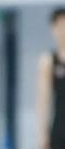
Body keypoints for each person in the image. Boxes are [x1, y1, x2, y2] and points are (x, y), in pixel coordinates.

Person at [38, 8, 65, 149]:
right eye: (59, 26)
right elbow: (43, 99)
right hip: (59, 129)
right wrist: (43, 134)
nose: (63, 31)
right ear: (53, 29)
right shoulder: (48, 61)